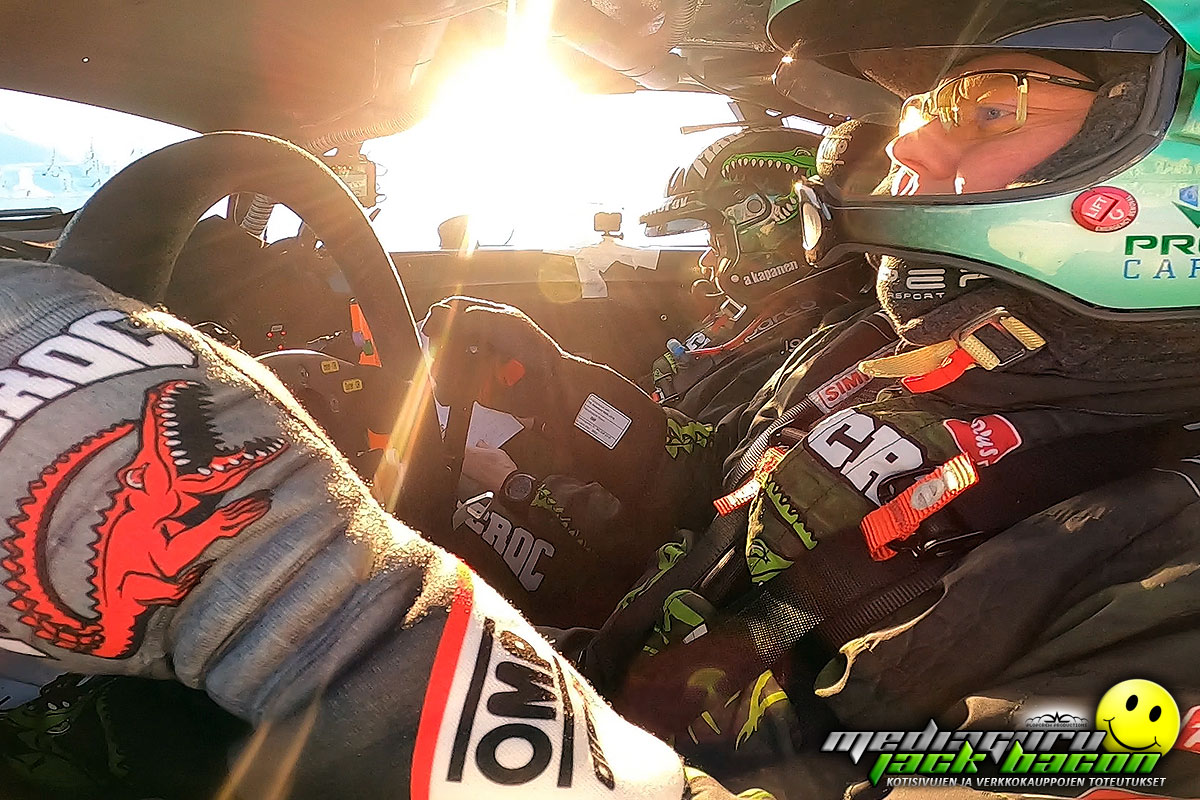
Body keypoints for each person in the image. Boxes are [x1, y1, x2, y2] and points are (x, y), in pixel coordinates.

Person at [1, 2, 1200, 800]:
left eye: (992, 106)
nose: (910, 153)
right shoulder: (899, 356)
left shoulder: (1172, 580)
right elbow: (716, 511)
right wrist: (548, 405)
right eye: (927, 110)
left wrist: (322, 614)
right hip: (608, 702)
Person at [429, 125, 871, 629]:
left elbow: (691, 501)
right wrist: (544, 404)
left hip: (620, 576)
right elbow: (656, 424)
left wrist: (518, 484)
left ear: (769, 222)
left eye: (716, 236)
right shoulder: (744, 326)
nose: (707, 258)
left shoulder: (802, 357)